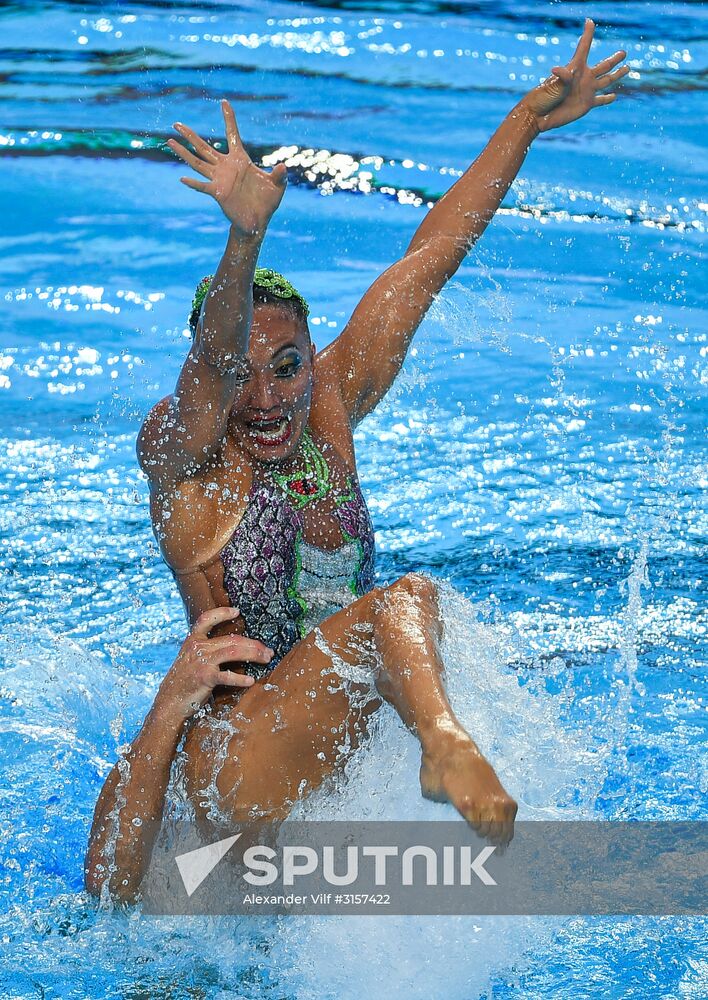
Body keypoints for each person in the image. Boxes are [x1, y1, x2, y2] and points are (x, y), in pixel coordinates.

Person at [85, 20, 629, 902]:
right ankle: (444, 746)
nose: (264, 399)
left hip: (320, 750)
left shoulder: (331, 404)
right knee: (403, 606)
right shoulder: (184, 456)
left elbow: (431, 256)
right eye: (242, 381)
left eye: (287, 369)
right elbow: (214, 369)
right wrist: (244, 239)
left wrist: (528, 119)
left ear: (314, 361)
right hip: (239, 758)